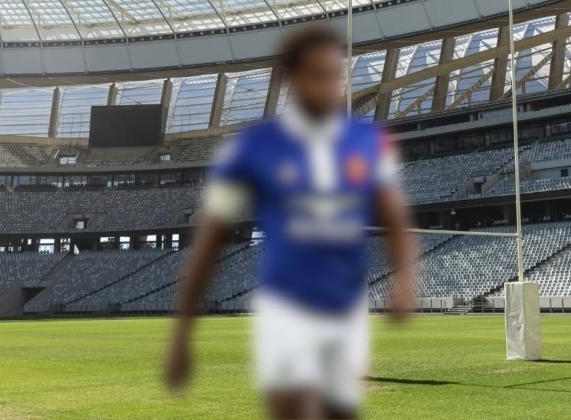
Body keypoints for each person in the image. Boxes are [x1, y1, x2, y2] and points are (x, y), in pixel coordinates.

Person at [164, 25, 417, 419]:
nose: (330, 86)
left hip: (344, 308)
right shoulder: (252, 147)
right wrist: (182, 332)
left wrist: (405, 285)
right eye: (319, 75)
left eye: (336, 76)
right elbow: (211, 238)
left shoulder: (368, 141)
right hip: (285, 307)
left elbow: (396, 217)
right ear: (292, 79)